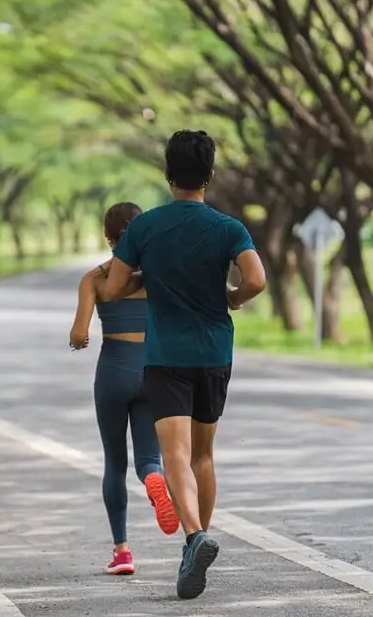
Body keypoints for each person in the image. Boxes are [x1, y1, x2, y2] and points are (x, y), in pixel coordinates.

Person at [93, 130, 267, 599]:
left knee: (173, 455)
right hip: (214, 353)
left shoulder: (145, 229)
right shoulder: (229, 227)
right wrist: (232, 296)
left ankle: (194, 537)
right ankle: (197, 541)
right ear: (210, 176)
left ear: (168, 176)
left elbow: (112, 290)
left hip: (165, 356)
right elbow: (256, 279)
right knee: (203, 456)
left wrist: (121, 278)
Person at [69, 201, 181, 577]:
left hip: (114, 370)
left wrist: (79, 338)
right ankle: (153, 479)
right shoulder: (157, 274)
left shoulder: (94, 279)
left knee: (114, 463)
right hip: (151, 369)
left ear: (107, 235)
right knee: (149, 460)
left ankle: (122, 551)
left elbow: (79, 334)